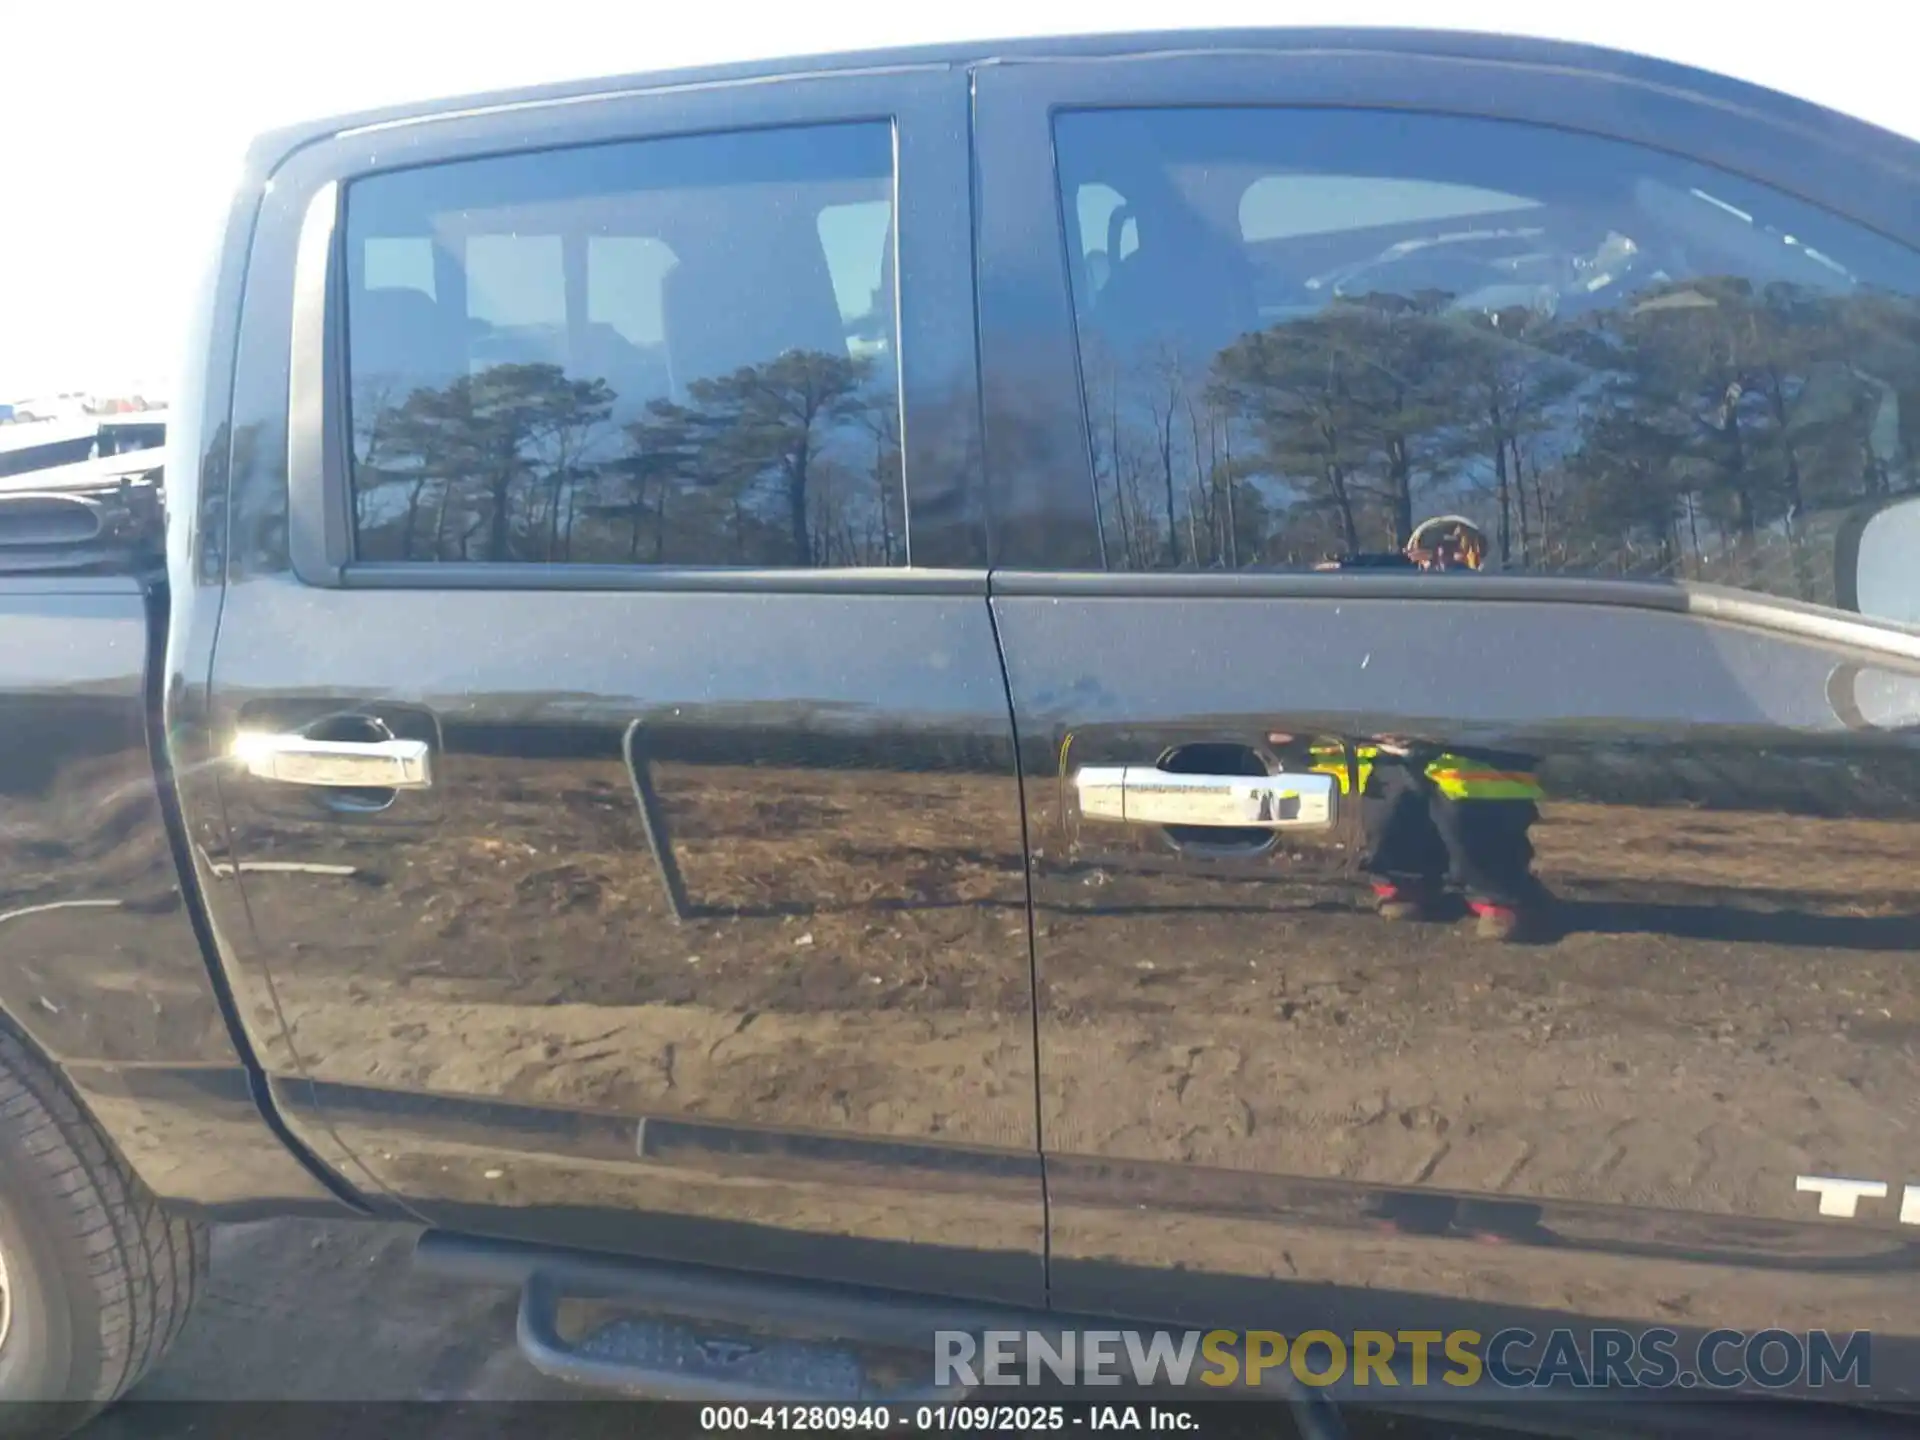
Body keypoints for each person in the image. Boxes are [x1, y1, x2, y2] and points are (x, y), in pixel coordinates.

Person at [1306, 516, 1549, 941]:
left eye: (1456, 548)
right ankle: (1404, 883)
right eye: (1431, 548)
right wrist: (1355, 571)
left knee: (1467, 805)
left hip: (1477, 742)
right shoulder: (1389, 613)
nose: (1442, 557)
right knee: (1392, 798)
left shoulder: (1504, 606)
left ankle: (1498, 895)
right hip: (1399, 739)